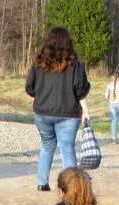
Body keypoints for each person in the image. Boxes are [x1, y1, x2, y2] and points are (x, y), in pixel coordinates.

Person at [25, 26, 90, 192]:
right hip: (68, 113)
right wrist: (86, 110)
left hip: (42, 113)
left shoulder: (39, 62)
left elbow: (30, 88)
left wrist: (41, 97)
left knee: (47, 146)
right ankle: (72, 187)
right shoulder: (75, 64)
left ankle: (42, 183)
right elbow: (81, 89)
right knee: (67, 147)